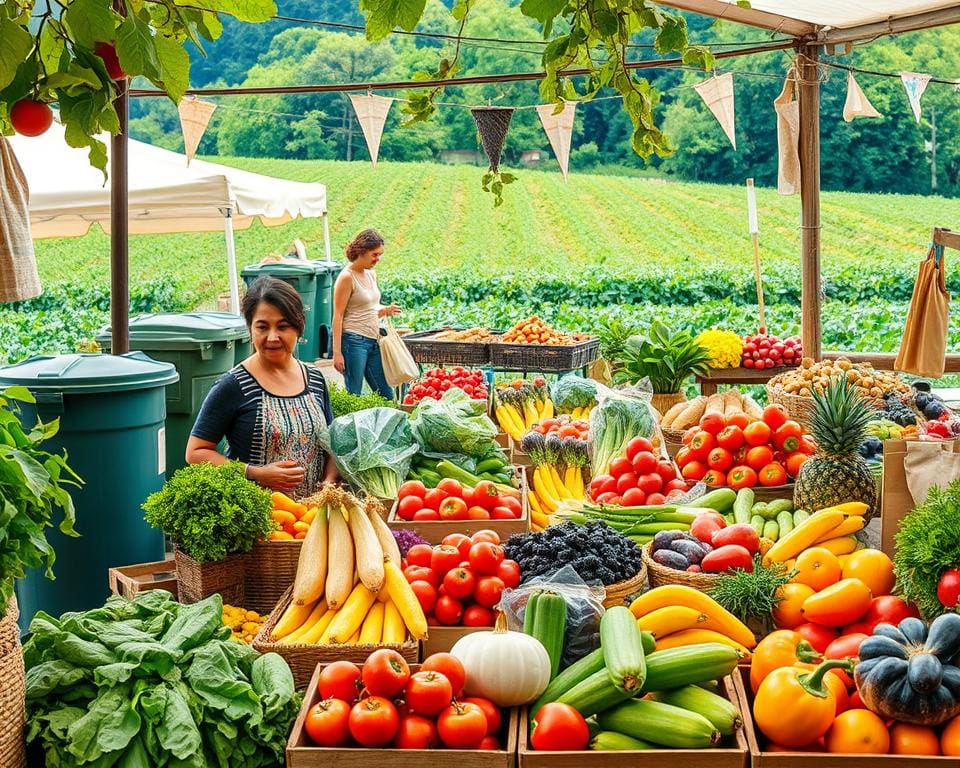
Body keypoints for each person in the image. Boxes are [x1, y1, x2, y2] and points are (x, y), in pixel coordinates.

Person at [186, 276, 338, 497]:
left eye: (283, 326)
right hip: (260, 519)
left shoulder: (314, 379)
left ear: (299, 328)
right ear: (251, 330)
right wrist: (255, 472)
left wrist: (329, 483)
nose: (273, 337)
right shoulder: (234, 385)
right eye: (262, 327)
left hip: (310, 521)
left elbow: (332, 443)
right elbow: (195, 452)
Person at [332, 228, 401, 399]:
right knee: (354, 392)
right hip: (353, 342)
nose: (378, 259)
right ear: (362, 251)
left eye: (380, 255)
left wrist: (384, 310)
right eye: (374, 254)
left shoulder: (371, 274)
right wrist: (337, 353)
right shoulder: (347, 277)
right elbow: (338, 316)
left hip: (373, 341)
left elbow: (368, 308)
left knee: (386, 394)